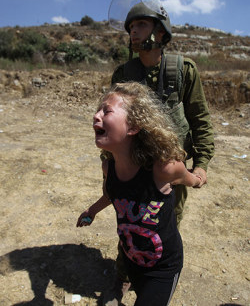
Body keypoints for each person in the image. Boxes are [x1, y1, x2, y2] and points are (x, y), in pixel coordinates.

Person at [104, 0, 215, 305]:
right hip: (132, 168)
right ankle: (124, 274)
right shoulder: (124, 74)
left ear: (159, 30)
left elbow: (200, 120)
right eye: (131, 27)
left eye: (140, 24)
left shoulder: (183, 70)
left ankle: (156, 280)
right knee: (130, 225)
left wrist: (202, 163)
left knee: (164, 229)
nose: (133, 31)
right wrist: (108, 163)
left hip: (169, 171)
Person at [77, 82, 202, 306]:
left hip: (163, 267)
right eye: (97, 110)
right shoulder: (109, 168)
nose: (96, 116)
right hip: (133, 258)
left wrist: (199, 177)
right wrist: (92, 210)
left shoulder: (163, 168)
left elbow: (189, 179)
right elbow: (112, 194)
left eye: (106, 111)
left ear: (133, 126)